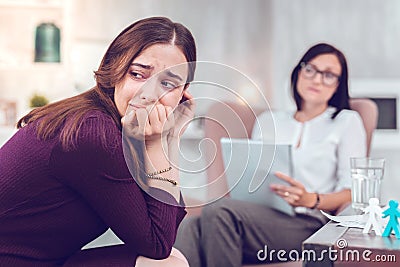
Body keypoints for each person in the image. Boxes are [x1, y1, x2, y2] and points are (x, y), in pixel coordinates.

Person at [0, 16, 196, 267]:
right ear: (115, 72)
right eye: (138, 74)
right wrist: (161, 143)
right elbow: (158, 243)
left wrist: (168, 139)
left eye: (168, 83)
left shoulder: (119, 129)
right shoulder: (93, 132)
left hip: (47, 260)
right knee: (167, 264)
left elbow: (166, 224)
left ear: (183, 93)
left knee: (172, 259)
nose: (150, 94)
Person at [174, 43, 367, 266]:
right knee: (191, 226)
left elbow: (353, 191)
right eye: (311, 69)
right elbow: (255, 174)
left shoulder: (346, 122)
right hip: (258, 215)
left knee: (219, 212)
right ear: (299, 72)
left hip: (308, 221)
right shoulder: (270, 121)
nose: (317, 79)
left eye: (329, 75)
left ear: (338, 85)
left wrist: (311, 199)